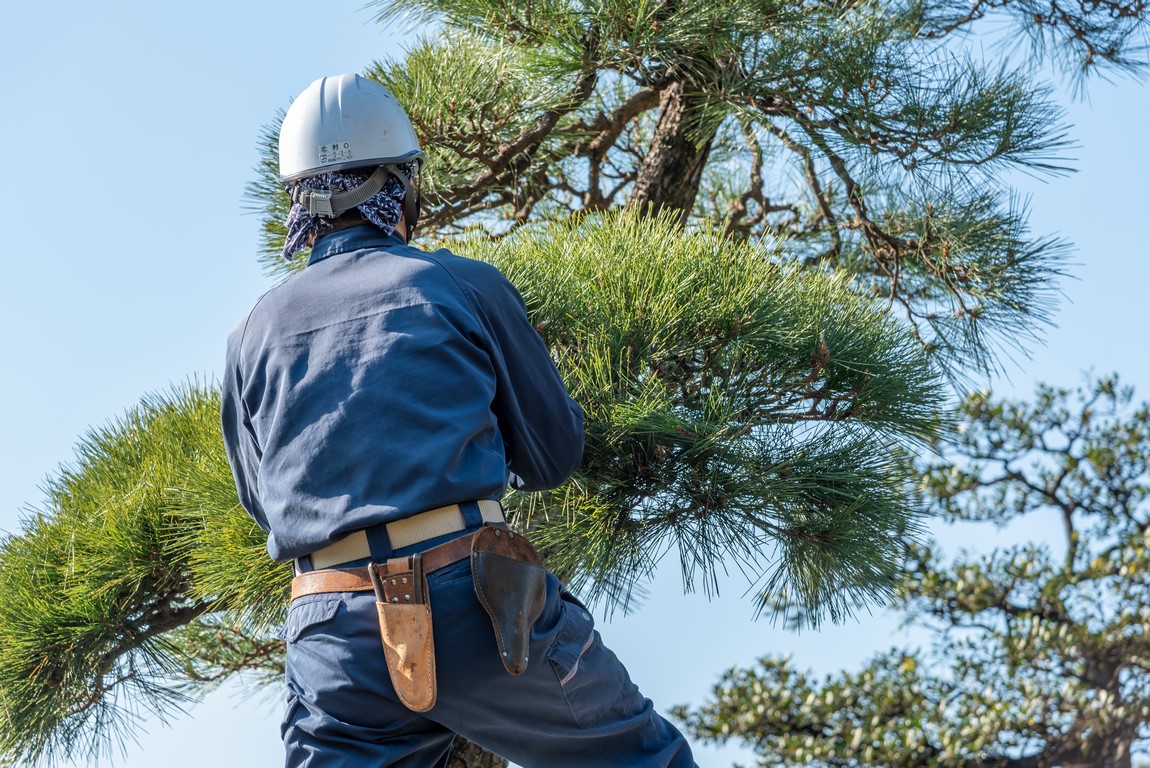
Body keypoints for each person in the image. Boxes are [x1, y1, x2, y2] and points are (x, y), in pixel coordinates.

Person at [220, 72, 698, 768]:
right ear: (402, 185)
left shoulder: (250, 333)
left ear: (300, 203)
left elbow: (262, 503)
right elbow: (554, 454)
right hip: (469, 596)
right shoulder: (459, 283)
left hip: (330, 630)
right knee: (640, 757)